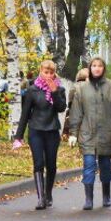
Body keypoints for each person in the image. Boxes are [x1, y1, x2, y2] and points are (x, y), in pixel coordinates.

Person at [68, 58, 111, 210]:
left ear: (104, 68)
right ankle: (89, 198)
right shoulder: (82, 89)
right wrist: (73, 132)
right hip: (88, 133)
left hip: (107, 132)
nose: (97, 68)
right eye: (94, 66)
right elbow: (76, 112)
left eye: (100, 66)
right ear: (90, 68)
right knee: (88, 165)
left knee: (105, 165)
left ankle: (106, 195)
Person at [12, 60, 67, 210]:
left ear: (54, 73)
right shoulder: (32, 90)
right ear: (40, 72)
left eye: (51, 73)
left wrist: (54, 91)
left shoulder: (60, 89)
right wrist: (19, 136)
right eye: (45, 72)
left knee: (51, 165)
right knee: (38, 163)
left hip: (52, 131)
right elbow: (25, 114)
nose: (48, 75)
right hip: (36, 130)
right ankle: (41, 198)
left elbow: (61, 108)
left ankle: (48, 193)